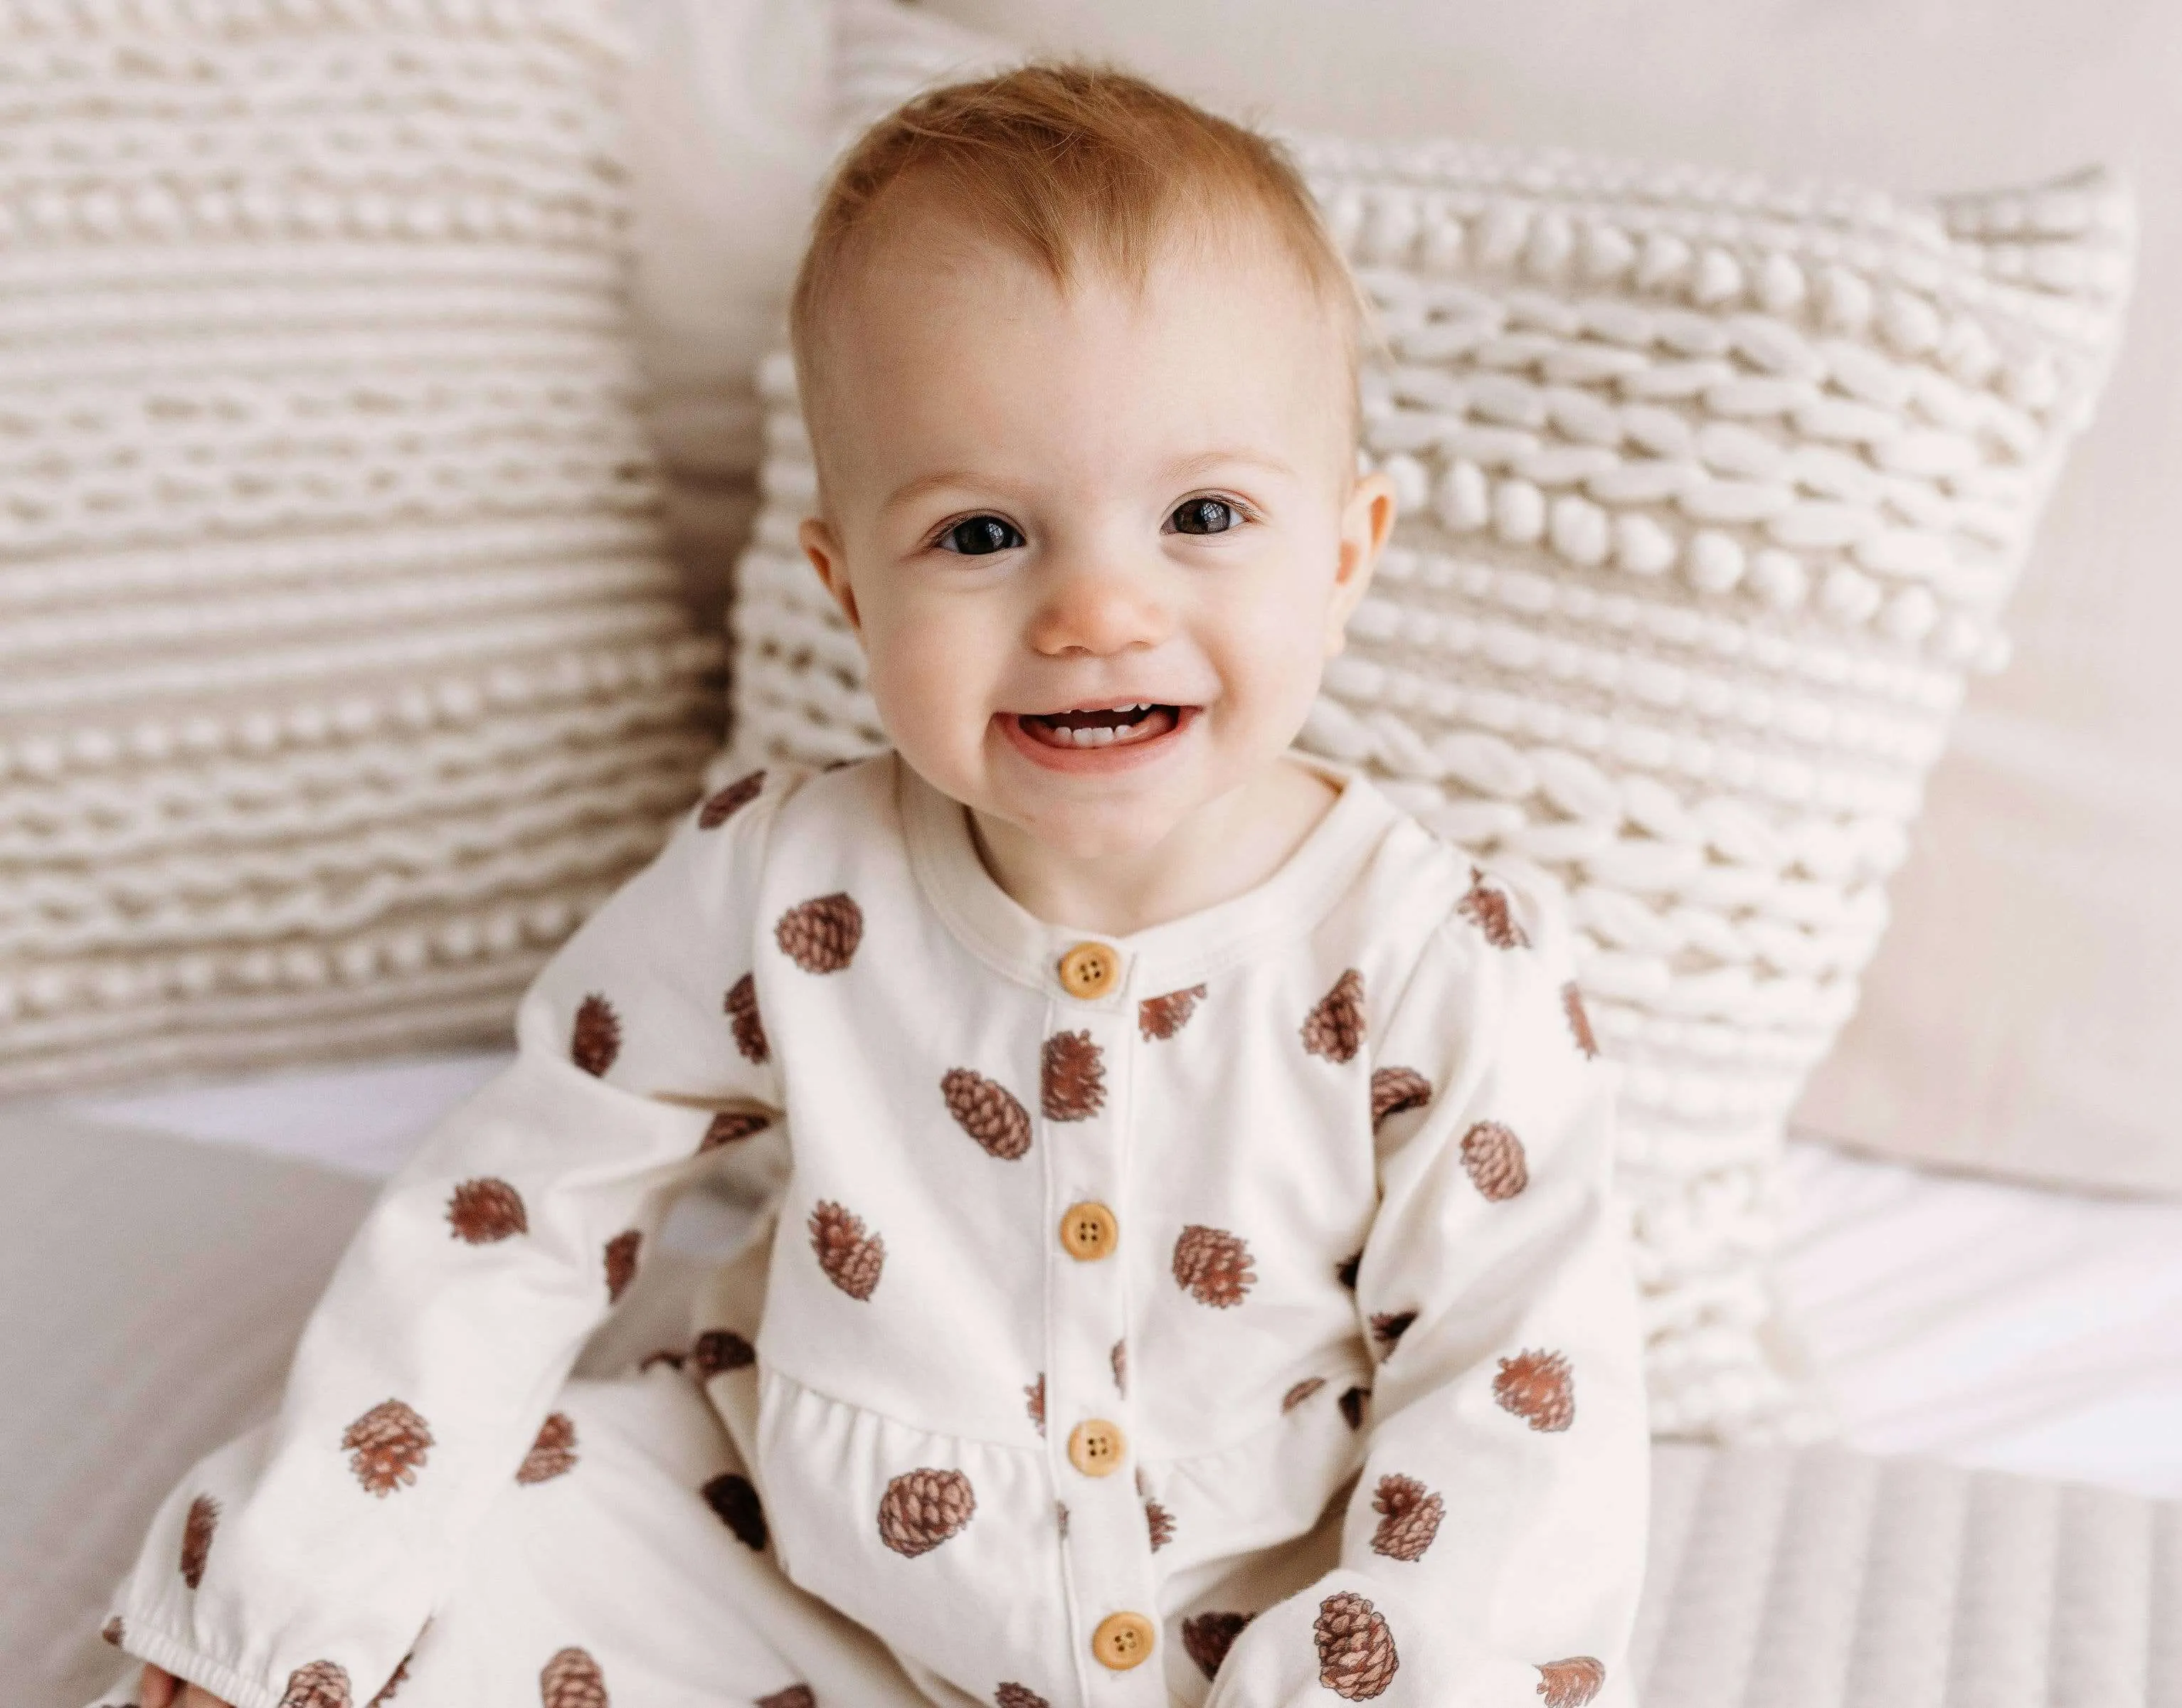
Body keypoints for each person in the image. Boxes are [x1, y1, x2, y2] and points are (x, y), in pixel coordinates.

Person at [104, 63, 1648, 1708]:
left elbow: (1518, 1385)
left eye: (1203, 515)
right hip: (798, 1574)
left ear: (1343, 558)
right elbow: (516, 1212)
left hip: (1260, 1619)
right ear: (849, 585)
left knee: (1492, 1569)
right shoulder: (783, 885)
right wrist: (299, 1595)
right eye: (983, 535)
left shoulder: (1439, 957)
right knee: (427, 1563)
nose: (1097, 612)